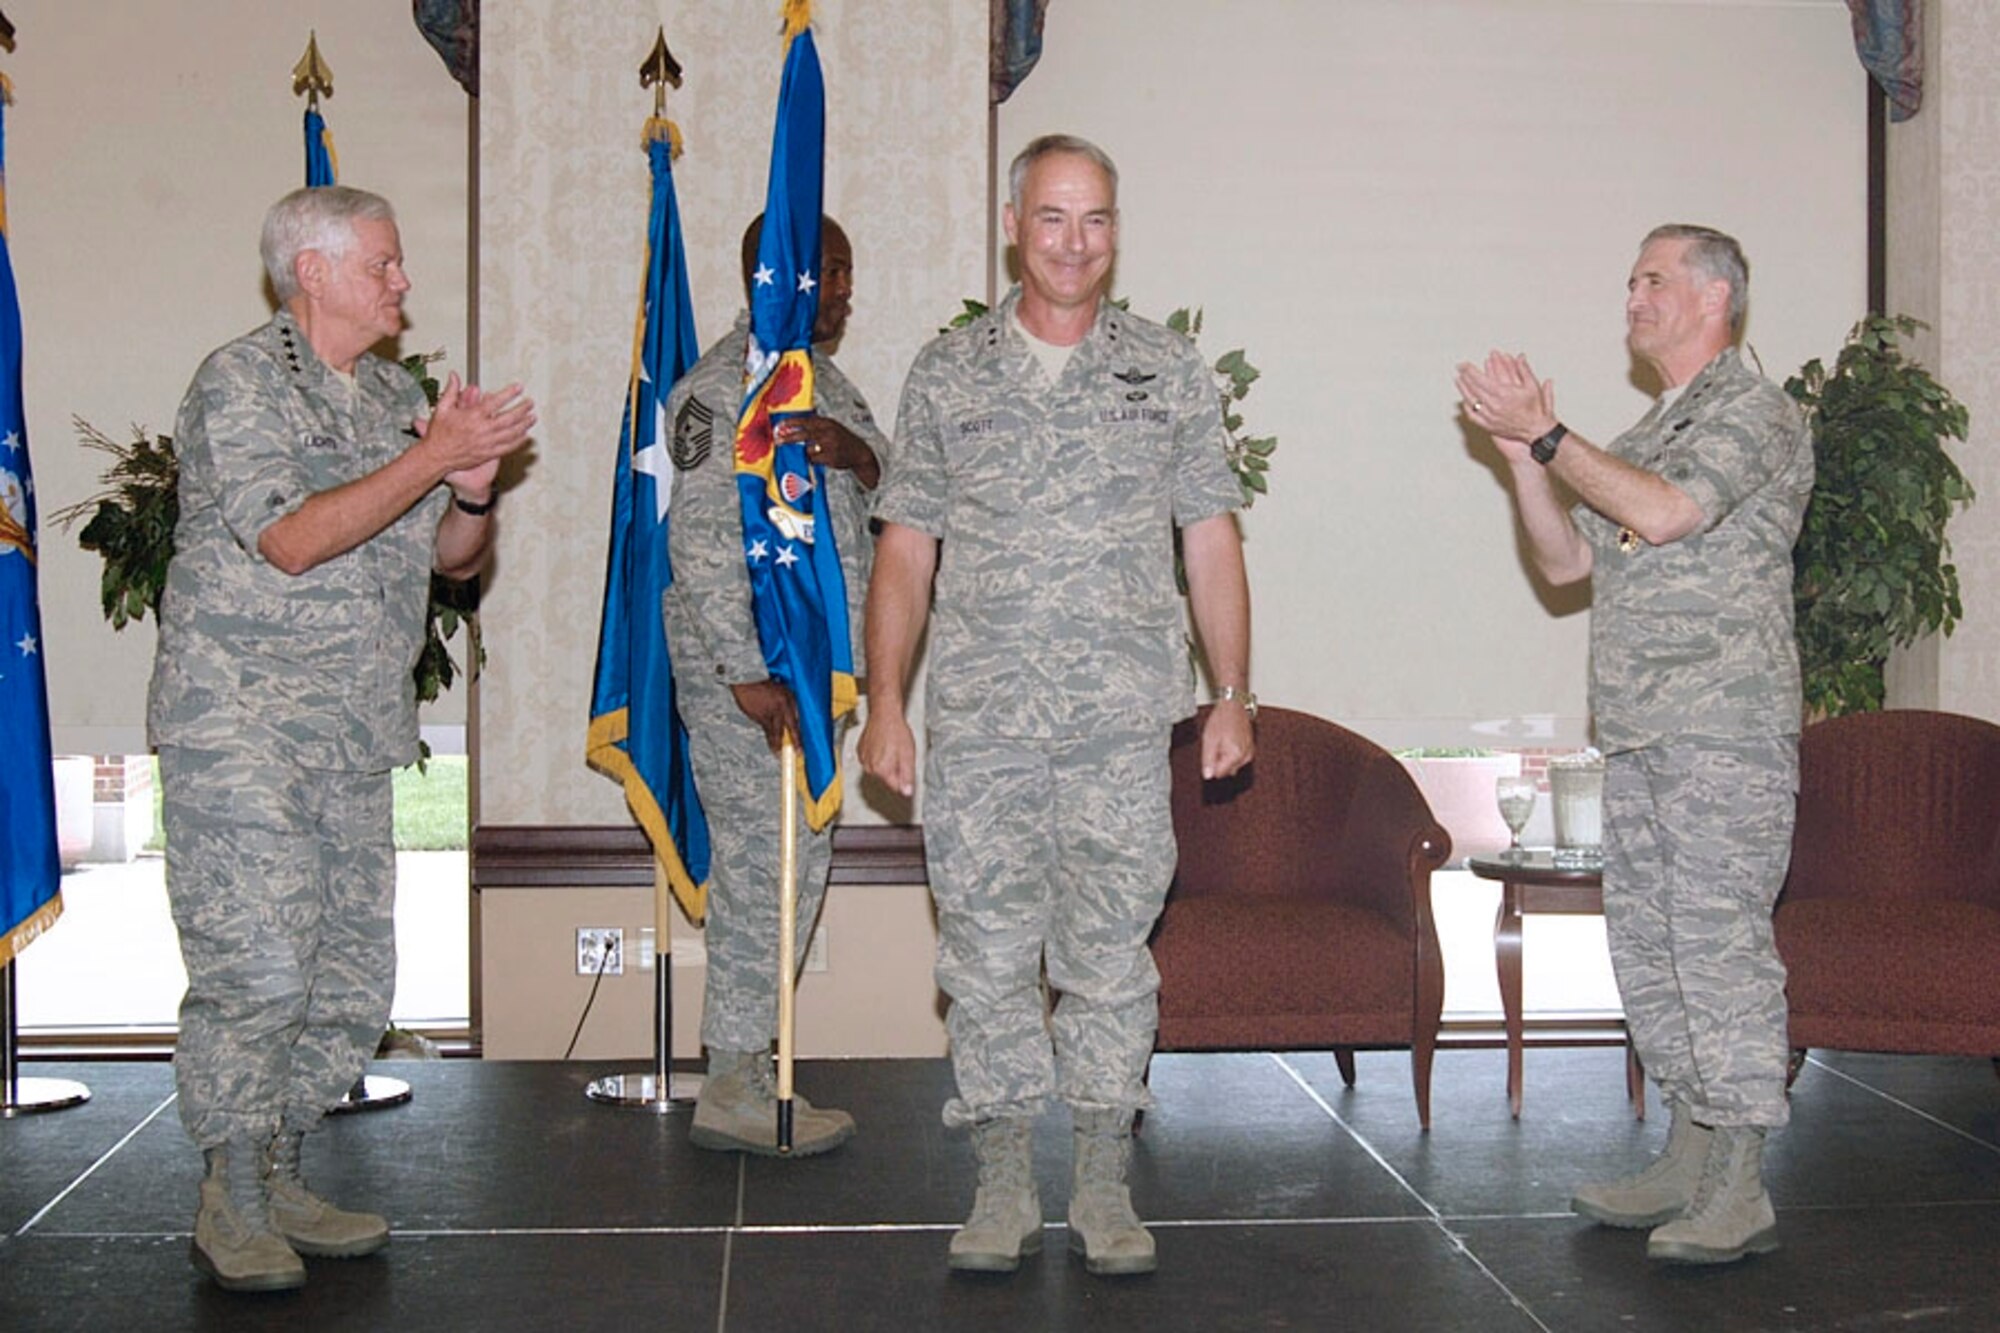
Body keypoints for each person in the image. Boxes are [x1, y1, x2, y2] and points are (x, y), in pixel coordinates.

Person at [860, 134, 1254, 1278]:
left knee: (1108, 957)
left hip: (1121, 726)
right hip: (981, 727)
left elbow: (1209, 540)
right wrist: (888, 700)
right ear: (1010, 224)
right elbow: (904, 553)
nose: (1073, 243)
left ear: (1115, 233)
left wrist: (1230, 694)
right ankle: (998, 1176)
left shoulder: (1168, 372)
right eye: (1051, 219)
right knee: (981, 956)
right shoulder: (947, 373)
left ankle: (1097, 1171)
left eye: (1093, 221)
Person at [149, 185, 535, 1292]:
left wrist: (470, 487)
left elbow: (452, 562)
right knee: (258, 967)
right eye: (384, 264)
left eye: (400, 264)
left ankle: (281, 1168)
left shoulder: (387, 400)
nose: (401, 283)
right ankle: (231, 1194)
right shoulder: (241, 383)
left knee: (347, 977)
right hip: (243, 726)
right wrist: (430, 460)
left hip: (354, 732)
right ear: (309, 271)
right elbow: (290, 537)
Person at [1455, 224, 1812, 1266]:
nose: (1632, 296)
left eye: (1652, 279)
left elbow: (1662, 515)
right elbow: (1566, 561)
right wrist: (1524, 458)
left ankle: (1739, 1181)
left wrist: (1554, 435)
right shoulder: (1654, 429)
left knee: (1717, 951)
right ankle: (1684, 1151)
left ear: (1712, 297)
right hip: (1649, 735)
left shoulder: (1753, 411)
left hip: (1723, 733)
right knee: (1651, 954)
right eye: (1629, 280)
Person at [662, 215, 883, 1156]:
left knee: (801, 864)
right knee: (762, 870)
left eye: (846, 274)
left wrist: (853, 451)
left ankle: (752, 1064)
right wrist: (747, 675)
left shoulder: (823, 384)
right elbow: (704, 542)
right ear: (775, 275)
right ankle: (733, 1079)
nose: (841, 291)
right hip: (747, 683)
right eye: (827, 272)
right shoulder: (717, 392)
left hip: (817, 674)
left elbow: (897, 485)